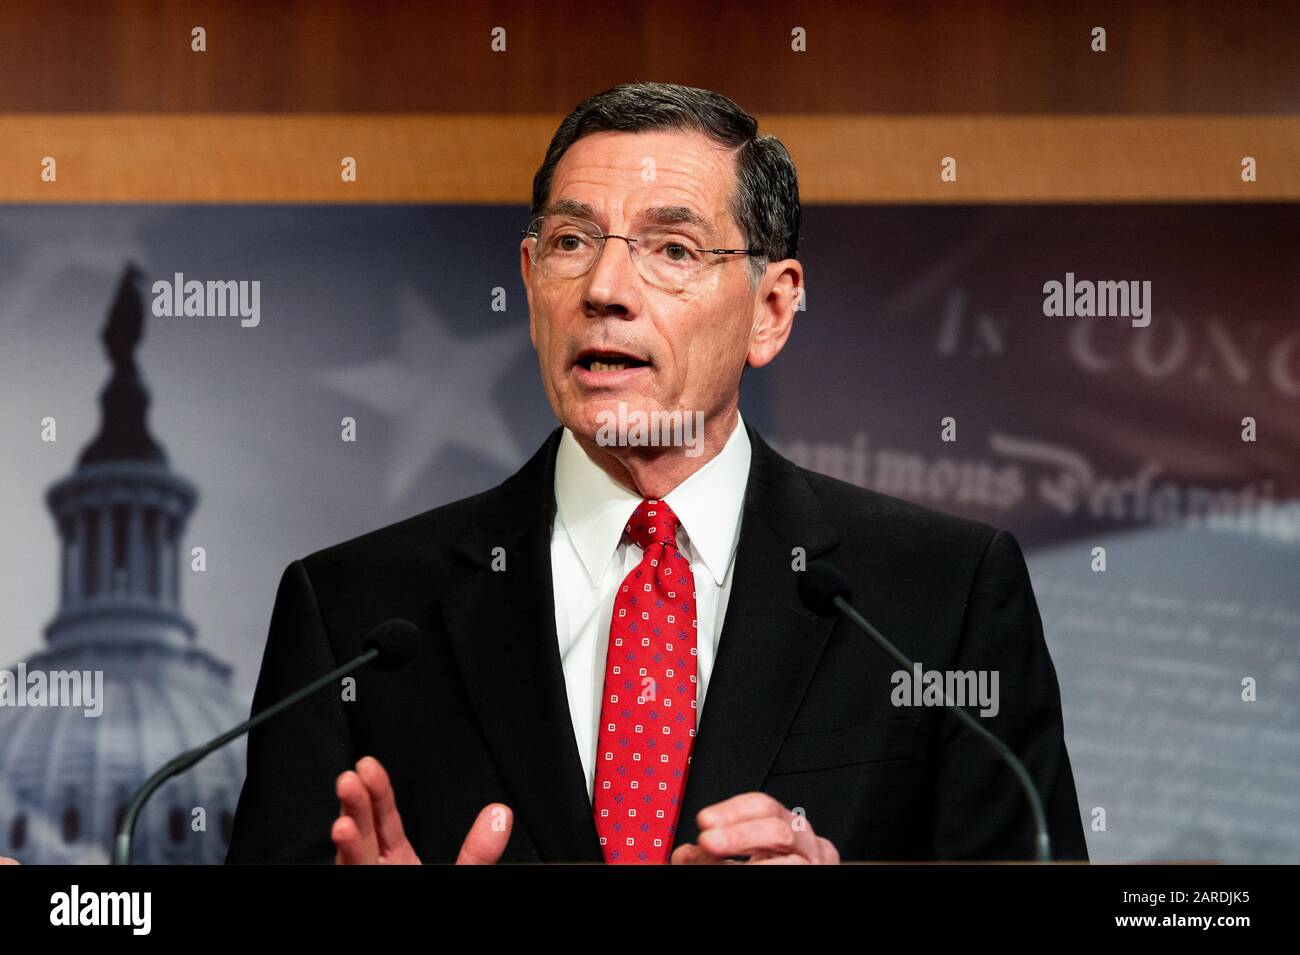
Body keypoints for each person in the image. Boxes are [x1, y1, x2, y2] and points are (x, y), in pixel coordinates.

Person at [223, 82, 1088, 865]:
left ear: (772, 309)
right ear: (531, 286)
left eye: (672, 250)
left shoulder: (939, 597)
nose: (605, 287)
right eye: (571, 241)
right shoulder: (353, 614)